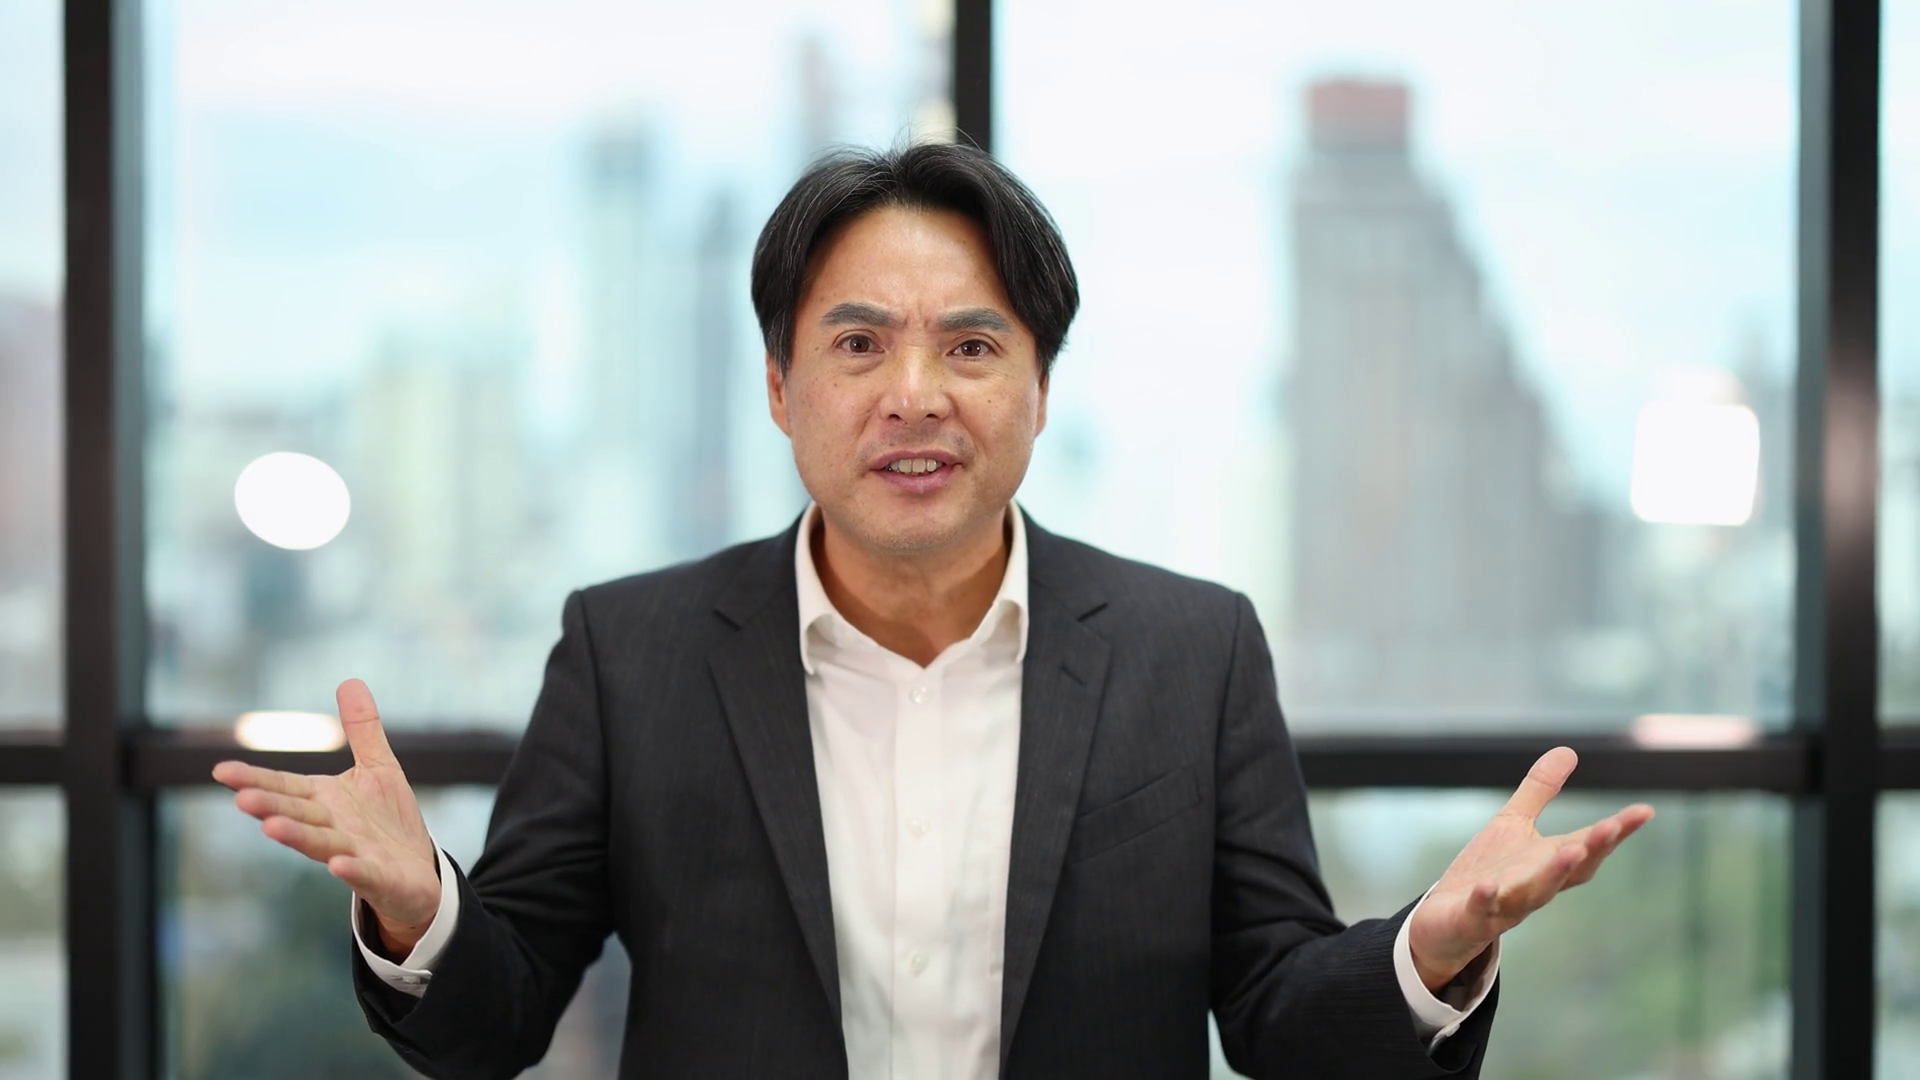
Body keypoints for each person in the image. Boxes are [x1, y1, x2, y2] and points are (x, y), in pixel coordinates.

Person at [212, 142, 1654, 1079]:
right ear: (779, 386)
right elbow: (502, 1011)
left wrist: (1427, 949)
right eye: (859, 344)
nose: (915, 395)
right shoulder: (630, 649)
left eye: (971, 345)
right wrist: (422, 909)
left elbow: (1278, 1009)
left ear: (1039, 389)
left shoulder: (1191, 650)